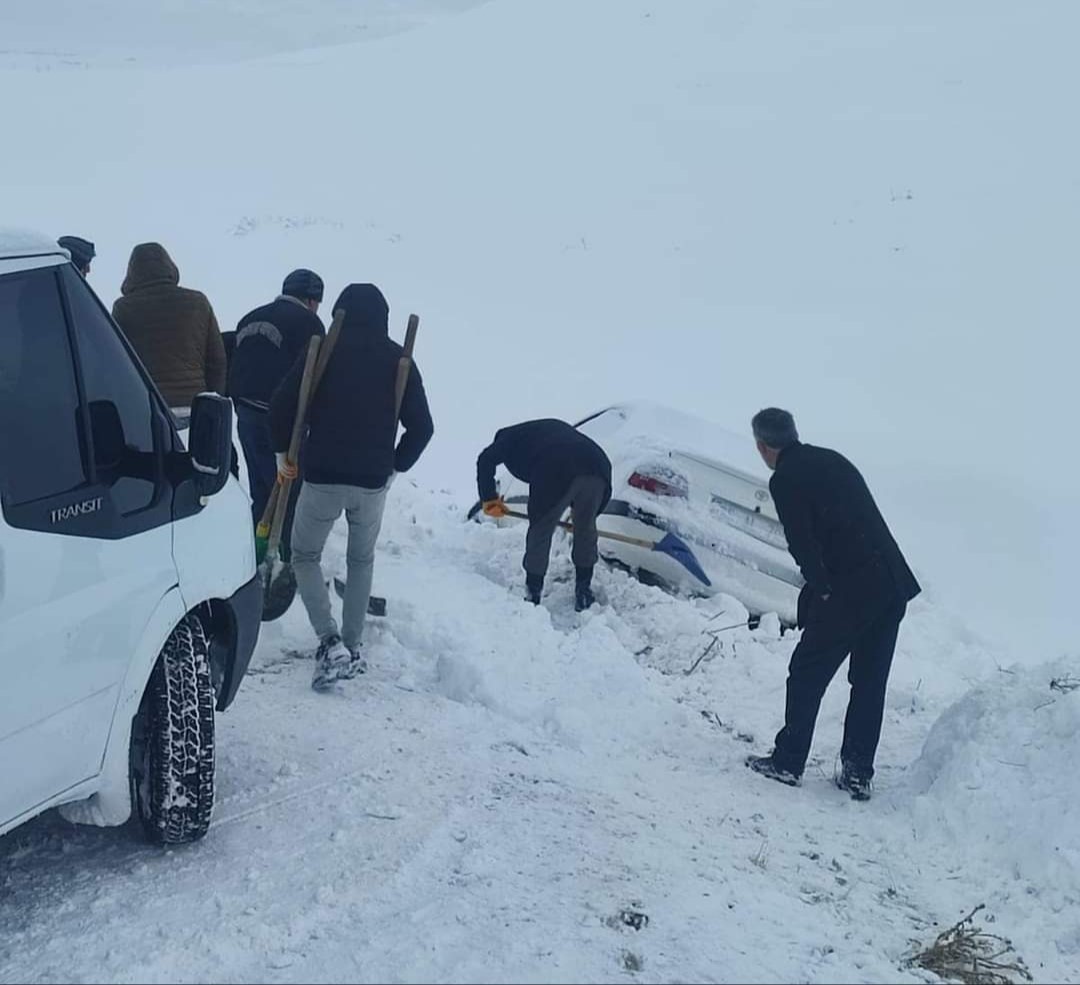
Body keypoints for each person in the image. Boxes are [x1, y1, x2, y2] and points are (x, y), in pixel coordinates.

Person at [745, 408, 921, 800]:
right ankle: (857, 773)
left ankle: (788, 761)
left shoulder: (786, 478)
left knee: (807, 671)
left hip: (852, 588)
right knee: (870, 681)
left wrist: (822, 588)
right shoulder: (833, 459)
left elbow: (801, 541)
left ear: (762, 446)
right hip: (891, 583)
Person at [269, 283, 433, 690]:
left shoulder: (322, 351)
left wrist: (281, 454)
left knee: (305, 554)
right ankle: (353, 644)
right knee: (361, 560)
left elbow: (281, 405)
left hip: (323, 473)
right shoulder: (400, 360)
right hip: (372, 481)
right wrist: (396, 464)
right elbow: (422, 427)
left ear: (338, 312)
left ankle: (328, 641)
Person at [229, 269, 325, 561]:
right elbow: (314, 378)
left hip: (244, 412)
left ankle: (255, 547)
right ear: (311, 300)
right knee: (288, 492)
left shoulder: (249, 317)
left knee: (260, 484)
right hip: (283, 421)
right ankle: (281, 556)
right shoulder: (310, 324)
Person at [477, 419, 612, 611]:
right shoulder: (547, 431)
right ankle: (584, 590)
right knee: (586, 529)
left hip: (556, 467)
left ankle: (533, 594)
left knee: (541, 529)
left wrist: (489, 498)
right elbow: (598, 497)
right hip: (599, 465)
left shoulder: (507, 439)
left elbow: (485, 459)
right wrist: (585, 515)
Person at [112, 242, 226, 408]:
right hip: (194, 403)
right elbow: (217, 361)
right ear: (170, 267)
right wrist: (212, 402)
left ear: (131, 273)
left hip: (147, 404)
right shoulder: (197, 302)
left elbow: (117, 362)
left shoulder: (123, 308)